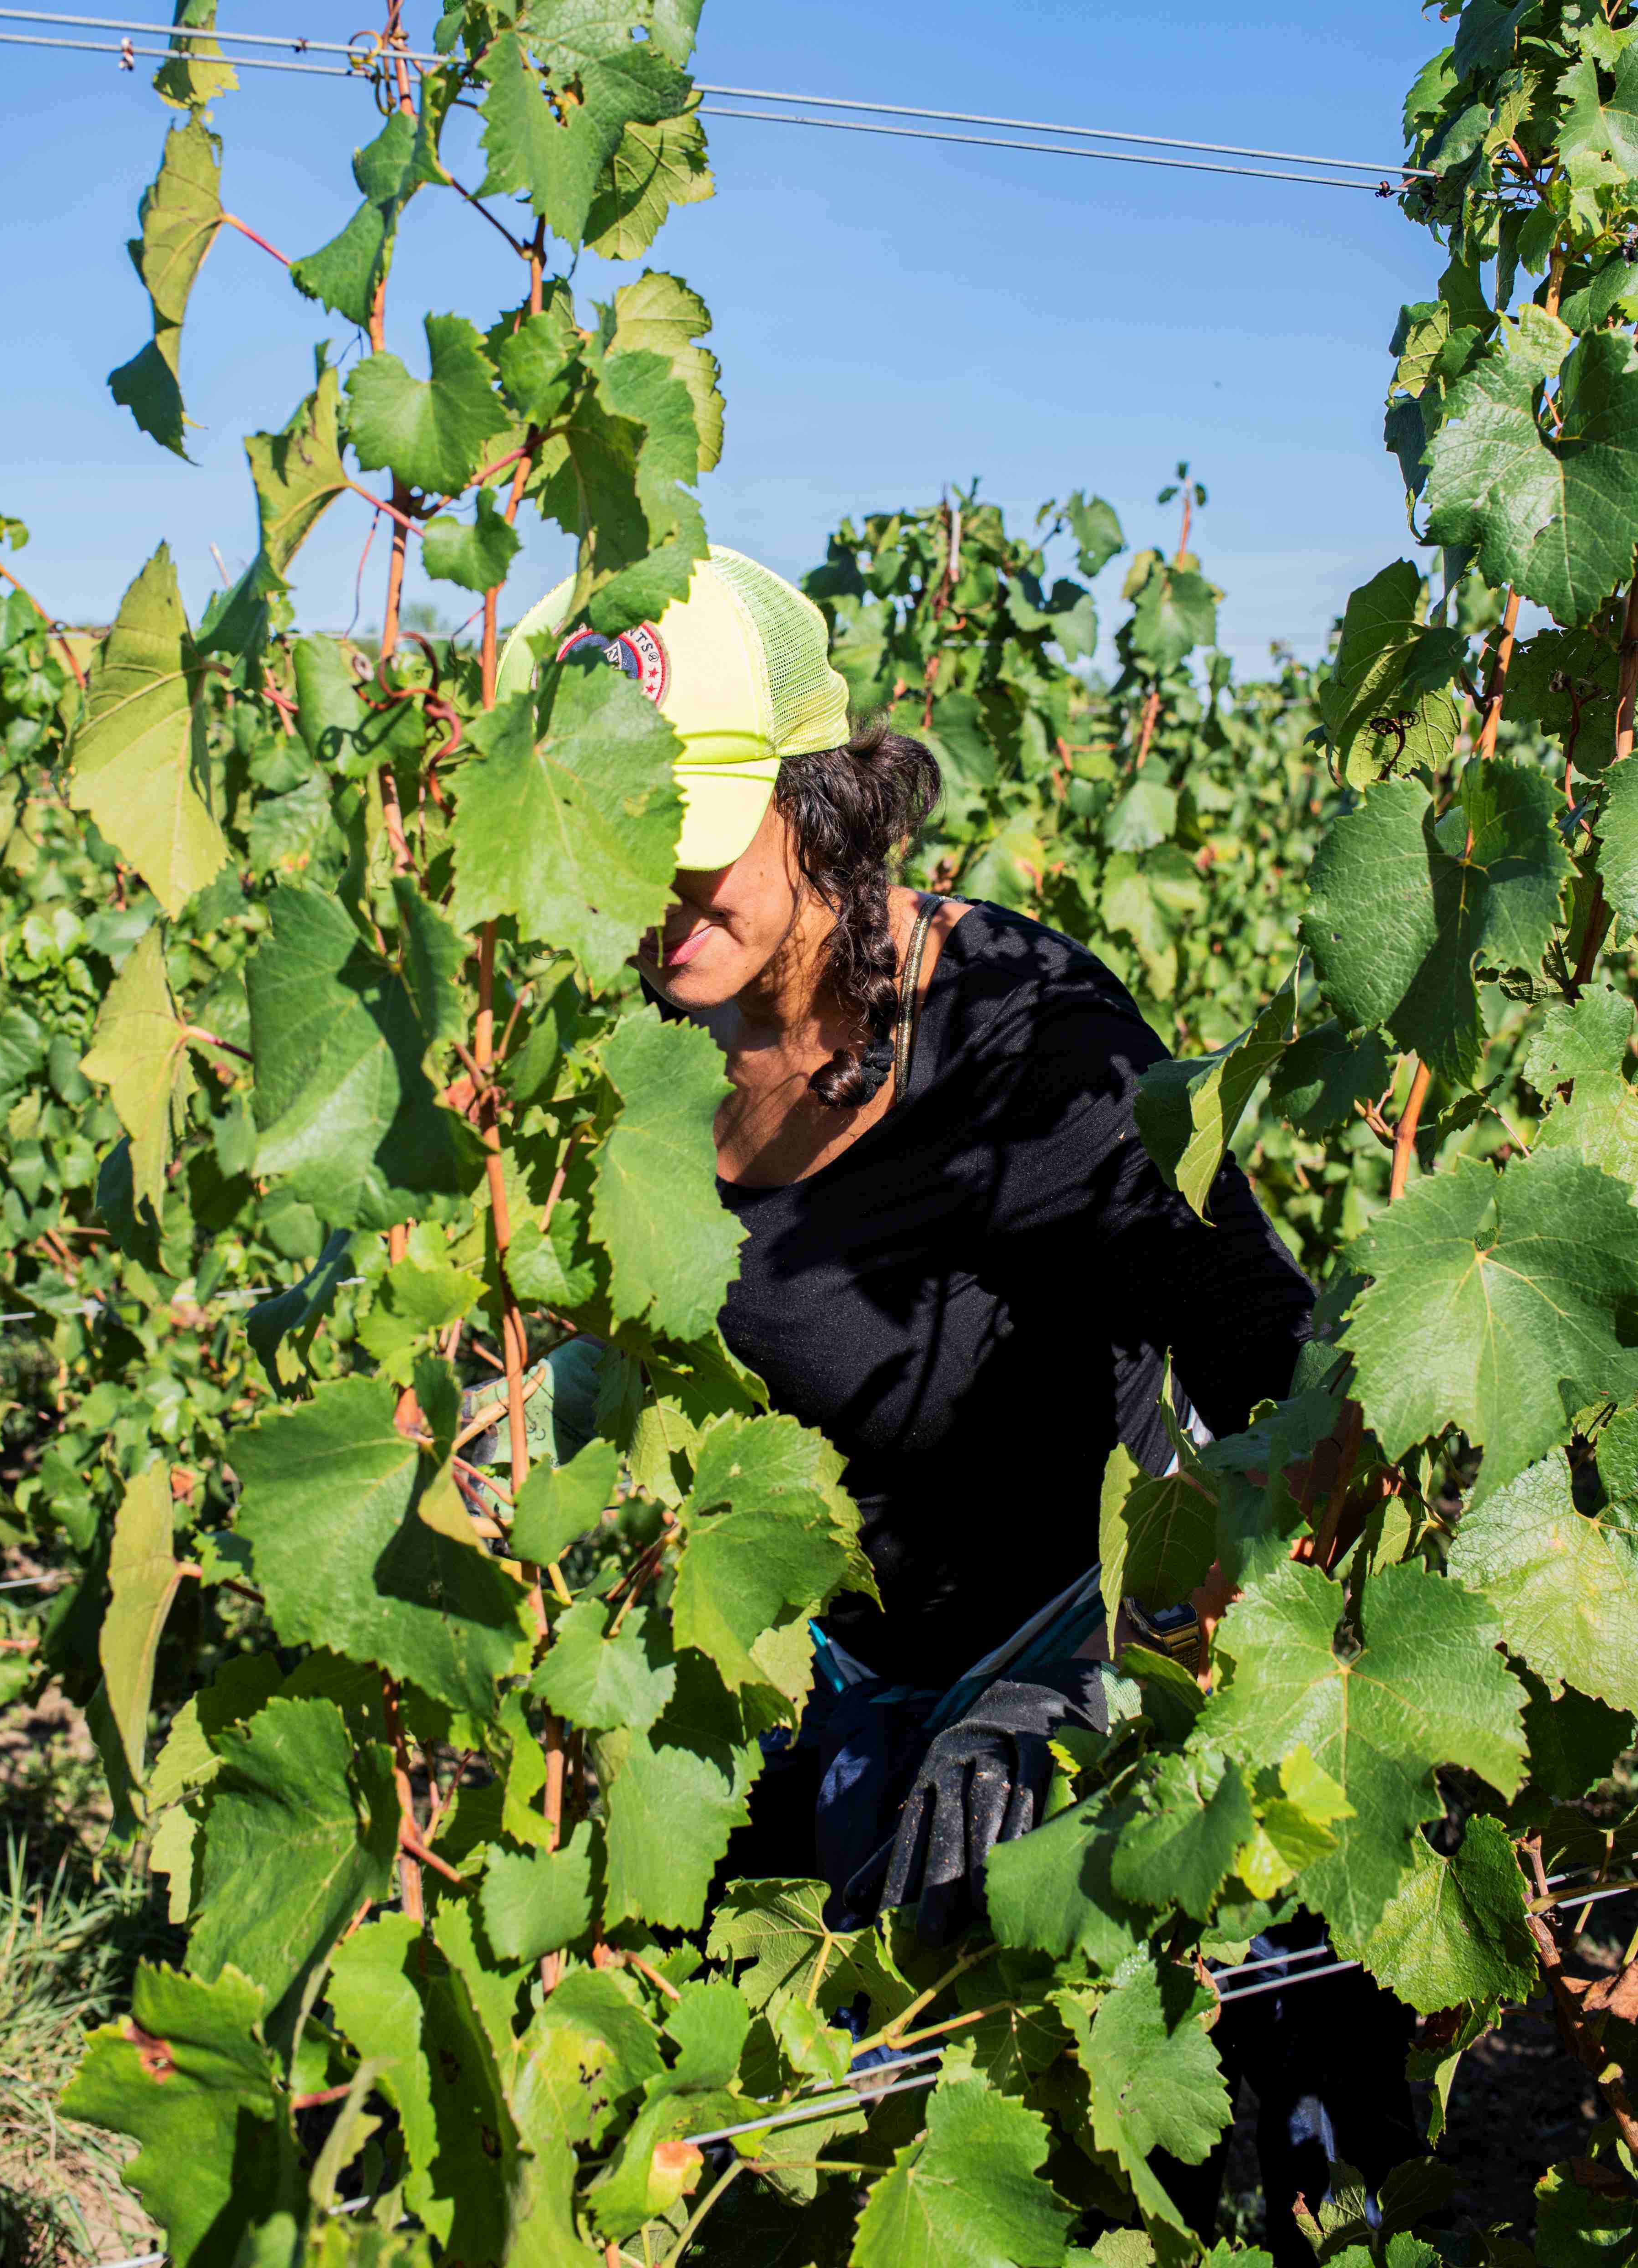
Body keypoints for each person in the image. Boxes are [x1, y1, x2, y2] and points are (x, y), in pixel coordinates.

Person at [501, 546, 1418, 2252]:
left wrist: (1116, 1691)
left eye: (704, 848)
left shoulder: (1028, 1048)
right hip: (804, 1694)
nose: (663, 900)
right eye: (628, 844)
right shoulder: (608, 1060)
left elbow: (1289, 1408)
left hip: (1071, 1690)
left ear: (825, 809)